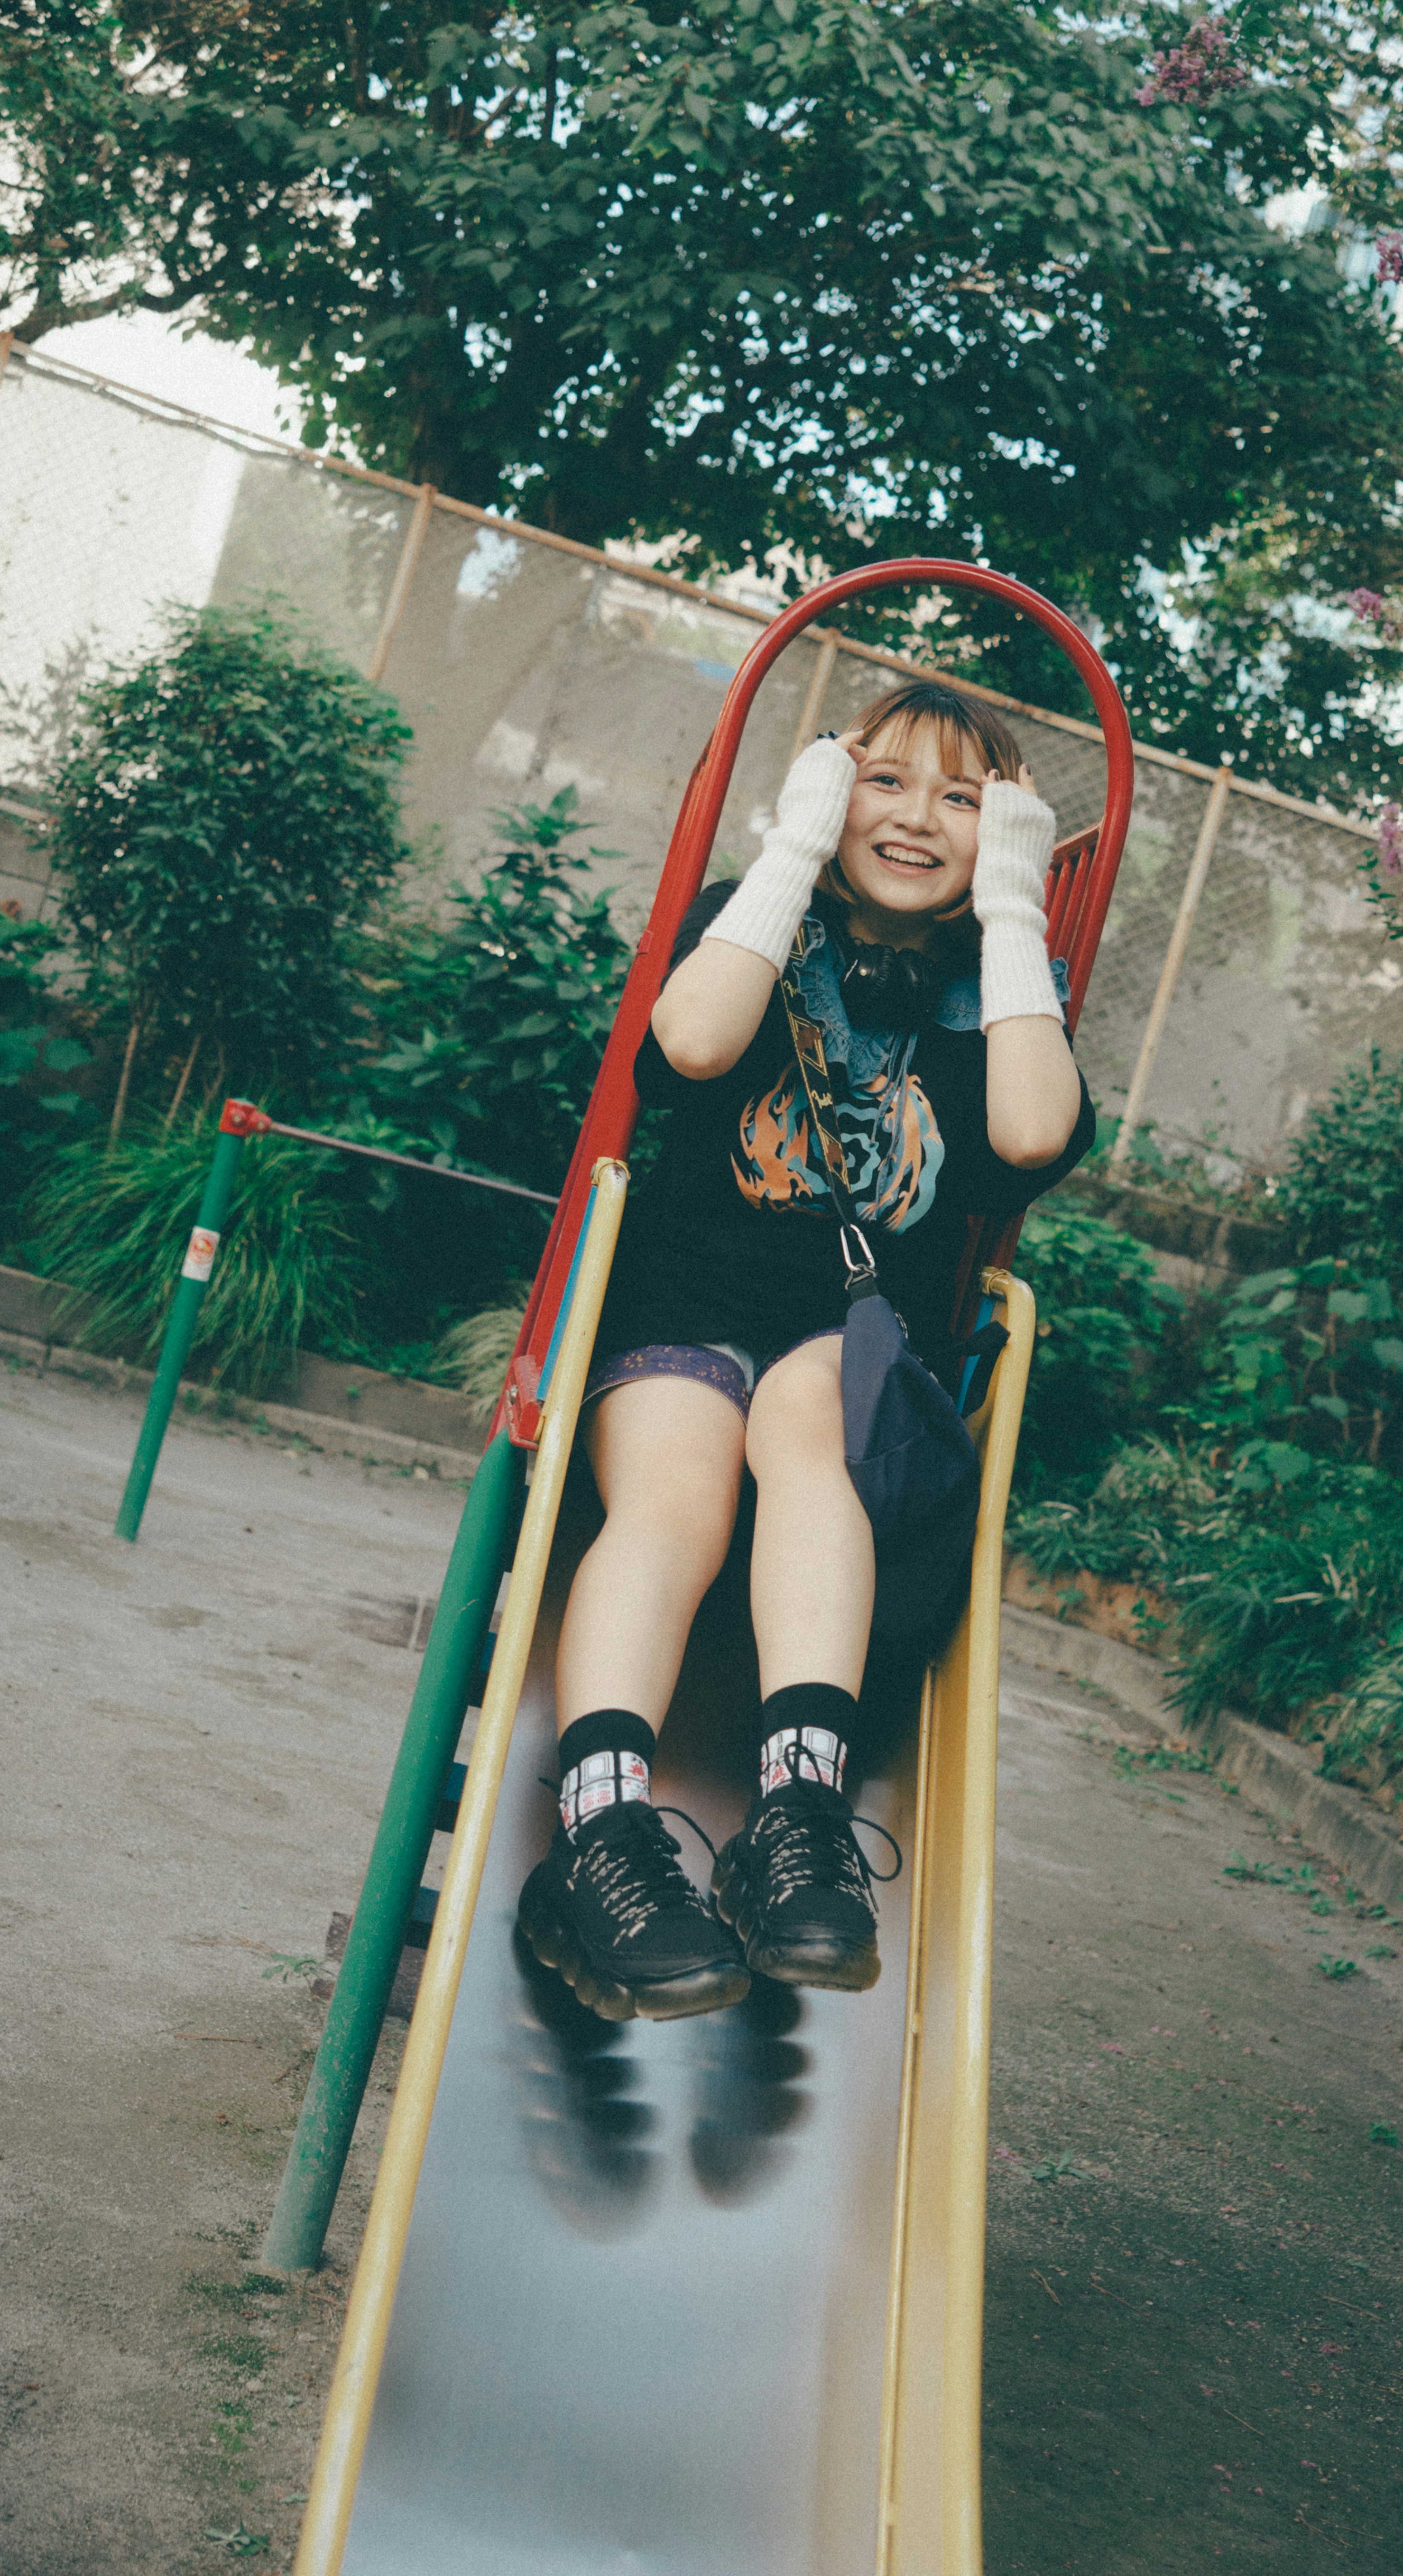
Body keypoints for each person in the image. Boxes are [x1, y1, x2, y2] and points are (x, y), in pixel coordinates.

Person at [517, 676, 1096, 2023]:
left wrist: (1016, 913)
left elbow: (1023, 1136)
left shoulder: (1004, 987)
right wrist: (792, 847)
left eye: (966, 799)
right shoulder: (758, 922)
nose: (917, 817)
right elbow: (696, 1037)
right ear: (833, 792)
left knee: (811, 1435)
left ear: (1005, 833)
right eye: (883, 781)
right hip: (678, 1307)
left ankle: (795, 1816)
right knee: (675, 1495)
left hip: (846, 1334)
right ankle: (602, 1831)